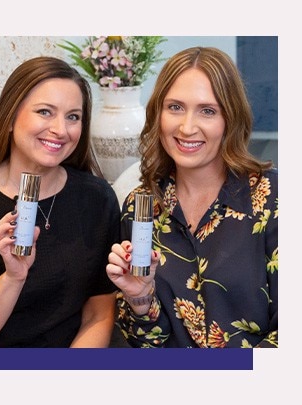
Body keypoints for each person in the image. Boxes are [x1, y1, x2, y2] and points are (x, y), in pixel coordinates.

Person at [106, 47, 278, 348]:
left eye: (207, 111)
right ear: (158, 113)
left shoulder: (271, 198)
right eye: (174, 107)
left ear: (230, 118)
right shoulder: (139, 206)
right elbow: (145, 344)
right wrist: (139, 298)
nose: (187, 127)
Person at [0, 56, 120, 348]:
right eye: (45, 112)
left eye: (73, 117)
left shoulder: (97, 199)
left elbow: (98, 313)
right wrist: (13, 277)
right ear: (10, 117)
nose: (60, 130)